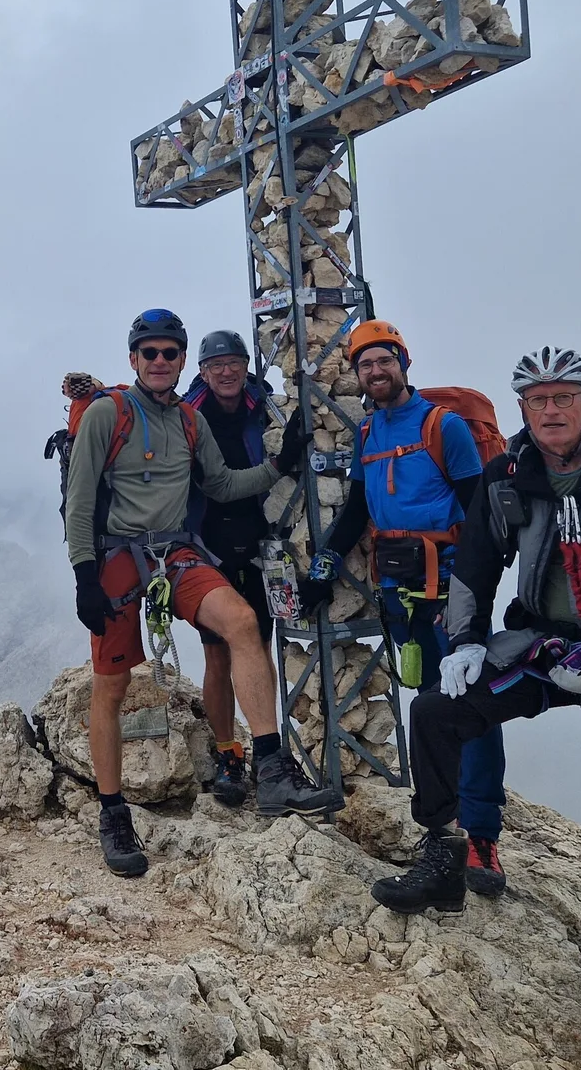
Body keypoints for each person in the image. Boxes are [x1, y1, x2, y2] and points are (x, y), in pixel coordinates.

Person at [370, 347, 581, 961]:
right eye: (538, 400)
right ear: (523, 408)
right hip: (542, 646)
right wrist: (466, 643)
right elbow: (475, 562)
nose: (551, 411)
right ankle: (444, 856)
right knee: (437, 712)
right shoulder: (510, 474)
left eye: (564, 397)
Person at [66, 308, 338, 876]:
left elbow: (221, 484)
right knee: (110, 687)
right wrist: (83, 575)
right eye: (150, 353)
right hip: (116, 557)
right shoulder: (105, 415)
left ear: (182, 359)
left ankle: (268, 769)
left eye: (170, 353)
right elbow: (81, 498)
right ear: (134, 360)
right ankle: (114, 816)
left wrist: (280, 464)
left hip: (175, 552)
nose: (160, 362)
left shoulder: (190, 424)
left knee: (240, 623)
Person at [300, 319, 512, 895]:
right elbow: (356, 512)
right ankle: (444, 837)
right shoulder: (369, 433)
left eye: (384, 360)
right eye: (366, 365)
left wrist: (467, 603)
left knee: (470, 707)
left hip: (448, 594)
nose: (376, 372)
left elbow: (481, 519)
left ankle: (484, 837)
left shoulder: (442, 428)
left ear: (404, 363)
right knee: (428, 707)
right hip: (400, 595)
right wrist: (323, 567)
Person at [180, 329, 277, 807]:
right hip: (211, 542)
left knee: (260, 645)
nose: (225, 371)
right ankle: (228, 754)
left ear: (244, 366)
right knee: (219, 654)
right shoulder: (187, 417)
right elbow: (214, 486)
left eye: (233, 362)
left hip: (263, 543)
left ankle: (267, 753)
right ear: (202, 371)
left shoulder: (266, 408)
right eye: (215, 364)